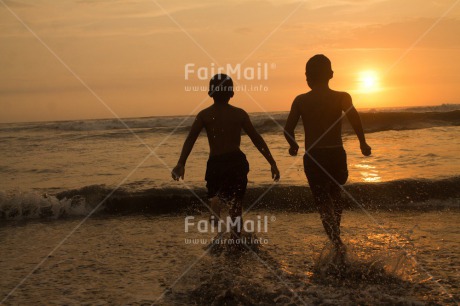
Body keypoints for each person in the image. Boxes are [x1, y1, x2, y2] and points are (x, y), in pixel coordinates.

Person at [284, 54, 371, 258]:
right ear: (331, 74)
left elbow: (288, 129)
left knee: (322, 201)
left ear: (307, 77)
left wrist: (293, 144)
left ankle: (336, 242)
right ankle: (336, 235)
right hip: (336, 154)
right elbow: (355, 119)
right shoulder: (342, 96)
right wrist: (362, 142)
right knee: (335, 195)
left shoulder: (301, 100)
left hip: (314, 156)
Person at [172, 74, 280, 238]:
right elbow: (257, 139)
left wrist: (181, 163)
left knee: (217, 195)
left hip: (216, 163)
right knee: (236, 205)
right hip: (236, 161)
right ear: (231, 93)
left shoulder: (204, 115)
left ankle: (216, 203)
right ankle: (236, 242)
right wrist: (272, 162)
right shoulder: (239, 114)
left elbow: (190, 139)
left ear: (210, 92)